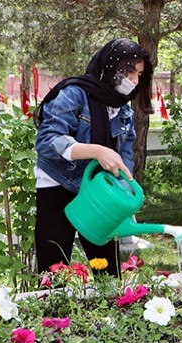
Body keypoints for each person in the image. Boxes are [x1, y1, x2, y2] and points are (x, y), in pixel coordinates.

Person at [34, 38, 153, 276]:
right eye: (129, 71)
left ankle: (108, 313)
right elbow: (47, 141)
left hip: (99, 194)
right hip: (58, 188)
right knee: (53, 275)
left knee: (108, 273)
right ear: (110, 67)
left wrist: (124, 192)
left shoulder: (124, 111)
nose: (134, 80)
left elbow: (124, 157)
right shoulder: (73, 95)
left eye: (139, 74)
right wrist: (97, 151)